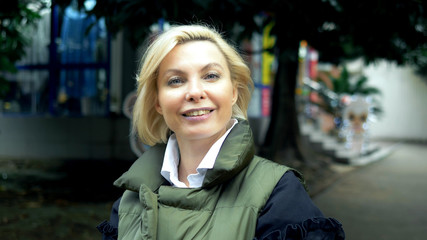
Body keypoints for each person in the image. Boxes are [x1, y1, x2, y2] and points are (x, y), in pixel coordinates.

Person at [97, 24, 345, 240]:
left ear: (234, 91)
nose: (194, 92)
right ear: (158, 102)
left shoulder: (278, 193)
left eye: (211, 76)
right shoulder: (130, 200)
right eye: (175, 80)